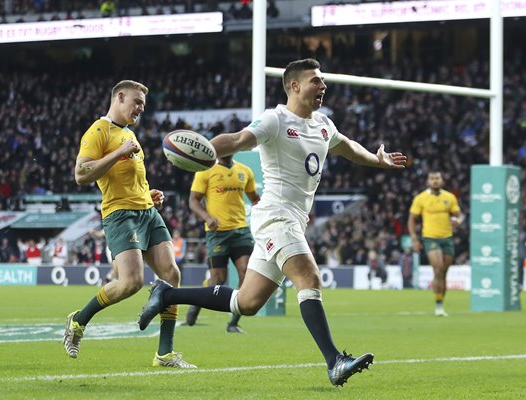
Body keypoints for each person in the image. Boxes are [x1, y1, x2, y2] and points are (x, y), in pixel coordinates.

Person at [137, 58, 406, 386]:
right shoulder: (275, 119)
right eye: (316, 81)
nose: (323, 87)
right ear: (294, 86)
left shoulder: (323, 124)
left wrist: (377, 160)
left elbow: (348, 148)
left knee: (246, 303)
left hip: (291, 220)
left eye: (322, 81)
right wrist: (206, 149)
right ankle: (335, 361)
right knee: (309, 277)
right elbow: (236, 140)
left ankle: (166, 295)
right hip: (275, 216)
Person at [63, 80, 192, 368]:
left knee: (172, 274)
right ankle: (78, 320)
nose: (140, 109)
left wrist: (150, 194)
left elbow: (132, 181)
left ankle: (165, 353)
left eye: (143, 106)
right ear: (120, 97)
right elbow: (81, 175)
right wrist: (118, 153)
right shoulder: (98, 131)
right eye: (136, 103)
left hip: (147, 212)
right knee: (131, 282)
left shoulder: (130, 134)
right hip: (120, 214)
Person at [185, 154, 261, 333]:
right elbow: (193, 200)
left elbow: (255, 198)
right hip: (217, 234)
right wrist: (207, 217)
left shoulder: (245, 171)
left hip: (241, 231)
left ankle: (233, 322)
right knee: (217, 281)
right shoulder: (205, 171)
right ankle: (198, 301)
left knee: (246, 274)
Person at [407, 171, 463, 317]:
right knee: (437, 268)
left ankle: (440, 303)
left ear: (442, 180)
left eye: (437, 178)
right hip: (430, 238)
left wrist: (458, 221)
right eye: (432, 178)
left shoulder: (449, 197)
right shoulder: (421, 198)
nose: (435, 181)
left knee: (443, 273)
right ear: (428, 181)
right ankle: (438, 306)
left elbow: (459, 216)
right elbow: (412, 219)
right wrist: (414, 239)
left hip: (447, 238)